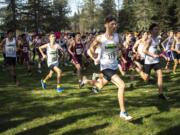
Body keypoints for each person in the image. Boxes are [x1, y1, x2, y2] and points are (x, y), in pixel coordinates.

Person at [82, 15, 132, 121]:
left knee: (100, 84)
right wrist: (93, 54)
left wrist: (122, 49)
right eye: (112, 24)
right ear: (106, 25)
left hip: (114, 67)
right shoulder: (100, 38)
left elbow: (121, 48)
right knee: (122, 85)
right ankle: (123, 112)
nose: (115, 26)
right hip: (105, 67)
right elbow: (91, 48)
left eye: (116, 24)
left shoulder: (117, 36)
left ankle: (86, 81)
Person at [142, 23, 168, 100]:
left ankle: (160, 93)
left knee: (160, 76)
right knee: (146, 79)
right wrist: (153, 55)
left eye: (158, 29)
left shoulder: (158, 38)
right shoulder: (149, 40)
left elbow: (158, 45)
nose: (157, 31)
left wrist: (161, 52)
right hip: (148, 62)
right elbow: (144, 50)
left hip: (156, 61)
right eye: (155, 29)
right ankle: (140, 71)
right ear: (151, 31)